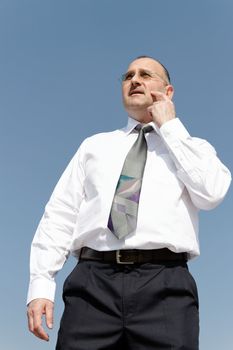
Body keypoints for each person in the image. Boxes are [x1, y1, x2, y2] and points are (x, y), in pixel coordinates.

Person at [27, 56, 231, 350]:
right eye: (128, 75)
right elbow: (60, 214)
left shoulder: (193, 148)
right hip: (92, 283)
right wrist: (40, 284)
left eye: (146, 74)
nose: (134, 80)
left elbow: (211, 193)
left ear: (168, 91)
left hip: (165, 286)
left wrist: (170, 126)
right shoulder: (94, 146)